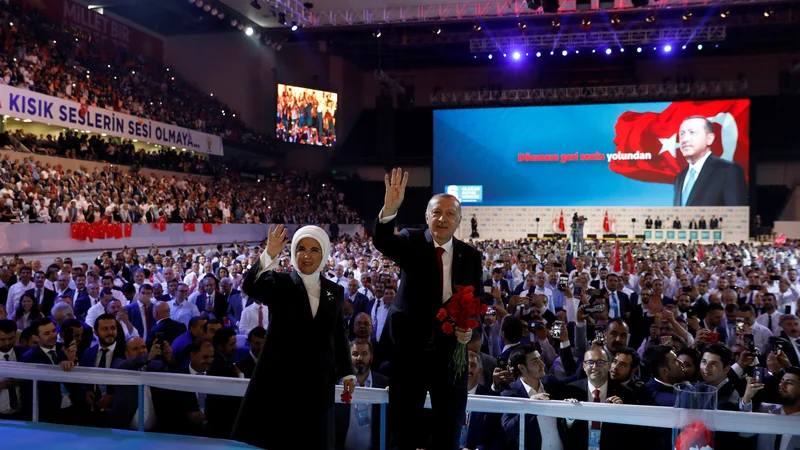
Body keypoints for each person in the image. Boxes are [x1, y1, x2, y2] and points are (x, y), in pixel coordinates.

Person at [373, 167, 483, 450]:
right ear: (426, 217)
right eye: (436, 213)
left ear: (459, 221)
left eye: (449, 214)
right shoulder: (411, 241)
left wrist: (469, 331)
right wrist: (389, 209)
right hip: (409, 355)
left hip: (451, 360)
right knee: (404, 434)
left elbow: (480, 304)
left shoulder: (470, 256)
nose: (442, 219)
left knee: (447, 435)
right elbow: (383, 241)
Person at [231, 224, 355, 450]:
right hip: (284, 383)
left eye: (314, 249)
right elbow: (251, 285)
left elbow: (338, 334)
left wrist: (347, 372)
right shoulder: (280, 284)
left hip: (319, 384)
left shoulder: (334, 291)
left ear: (325, 253)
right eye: (301, 248)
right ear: (293, 252)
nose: (307, 255)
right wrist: (269, 253)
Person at [672, 115, 747, 206]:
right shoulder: (680, 177)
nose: (684, 139)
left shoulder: (729, 170)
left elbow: (735, 216)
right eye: (682, 134)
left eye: (692, 132)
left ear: (709, 139)